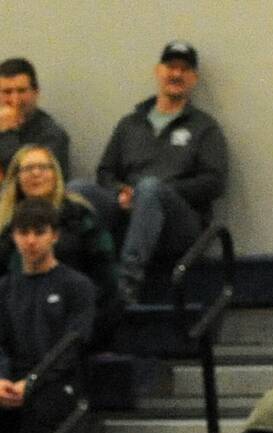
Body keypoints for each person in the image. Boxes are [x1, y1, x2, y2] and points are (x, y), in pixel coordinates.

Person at [78, 42, 227, 306]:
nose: (176, 74)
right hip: (129, 211)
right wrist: (121, 192)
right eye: (171, 67)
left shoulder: (205, 127)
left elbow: (214, 182)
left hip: (181, 225)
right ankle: (76, 281)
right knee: (79, 190)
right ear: (158, 71)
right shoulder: (130, 124)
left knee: (150, 188)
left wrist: (159, 192)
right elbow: (105, 172)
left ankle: (125, 288)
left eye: (184, 69)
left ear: (194, 78)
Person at [0, 198, 97, 433]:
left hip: (58, 378)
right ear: (14, 236)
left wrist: (31, 382)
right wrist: (2, 379)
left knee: (47, 401)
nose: (30, 240)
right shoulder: (5, 287)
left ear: (54, 235)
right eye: (23, 232)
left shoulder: (77, 285)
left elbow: (72, 344)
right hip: (12, 377)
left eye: (39, 232)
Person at [1, 144, 115, 300]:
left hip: (74, 309)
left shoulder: (79, 214)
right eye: (28, 168)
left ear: (55, 174)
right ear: (17, 178)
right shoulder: (5, 222)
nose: (36, 173)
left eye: (43, 167)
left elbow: (106, 277)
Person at [0, 58, 72, 177]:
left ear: (36, 93)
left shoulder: (53, 135)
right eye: (7, 92)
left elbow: (21, 176)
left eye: (21, 91)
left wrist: (7, 132)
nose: (15, 100)